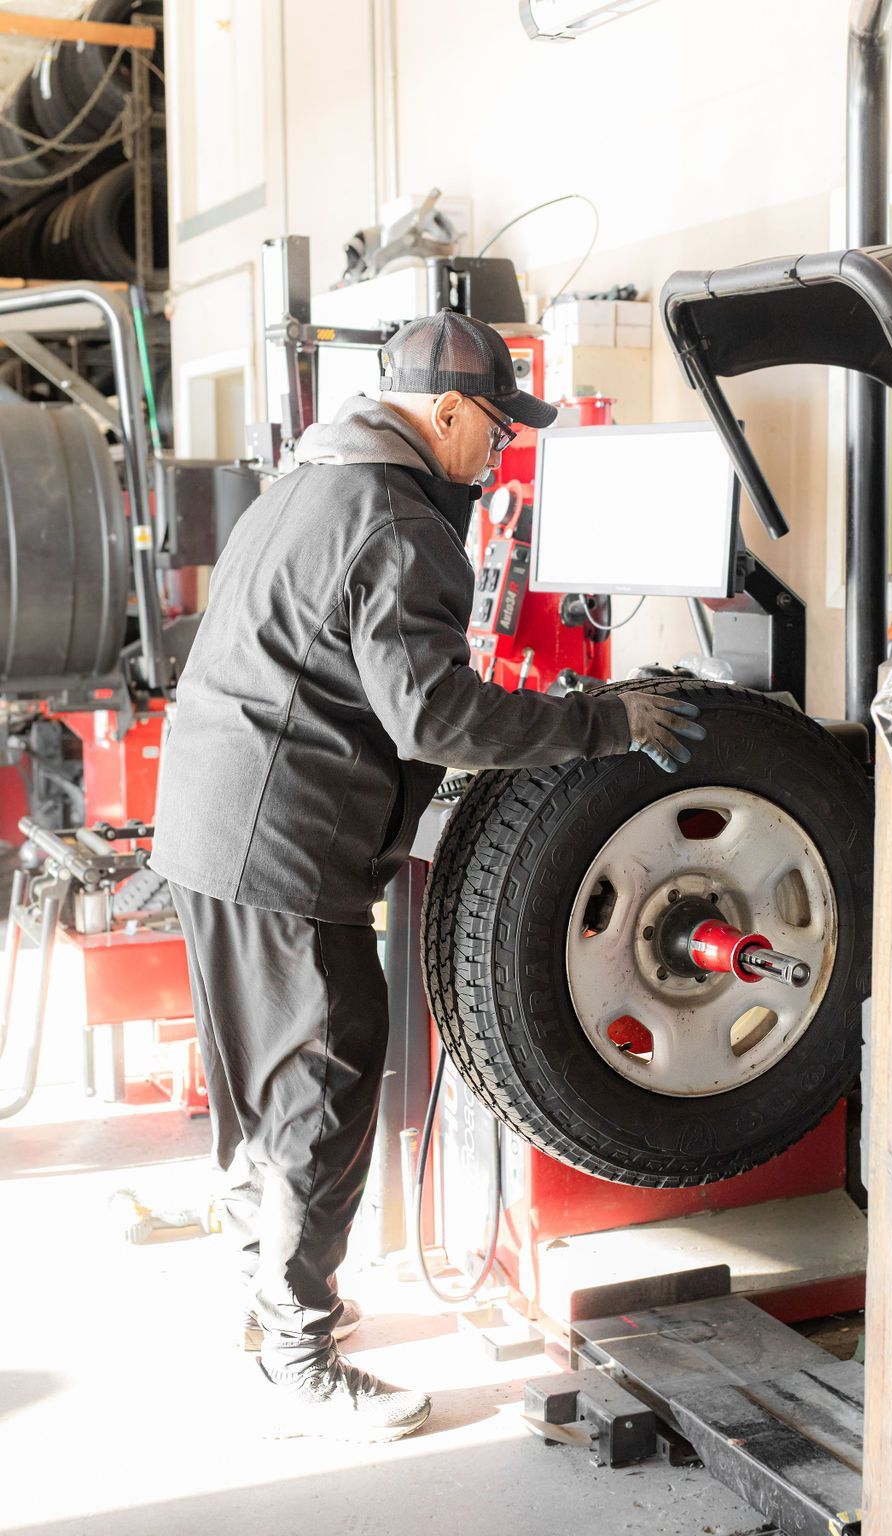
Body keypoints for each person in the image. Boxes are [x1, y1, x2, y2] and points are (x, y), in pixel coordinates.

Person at [149, 310, 704, 1442]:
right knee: (328, 1078)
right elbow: (435, 713)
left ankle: (270, 1295)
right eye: (496, 428)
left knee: (269, 1078)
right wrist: (602, 720)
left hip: (210, 826)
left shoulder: (310, 482)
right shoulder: (401, 521)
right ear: (444, 412)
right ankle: (298, 1350)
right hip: (282, 839)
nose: (500, 455)